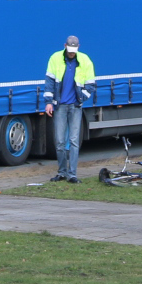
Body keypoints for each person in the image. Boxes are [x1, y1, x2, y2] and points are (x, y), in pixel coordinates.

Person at [41, 35, 95, 183]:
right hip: (60, 106)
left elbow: (91, 84)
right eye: (69, 49)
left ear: (78, 47)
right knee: (59, 141)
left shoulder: (85, 60)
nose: (71, 53)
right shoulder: (55, 58)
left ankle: (72, 175)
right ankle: (62, 172)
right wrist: (49, 102)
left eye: (74, 50)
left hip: (75, 106)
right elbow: (49, 82)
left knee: (74, 141)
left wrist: (81, 98)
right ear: (65, 46)